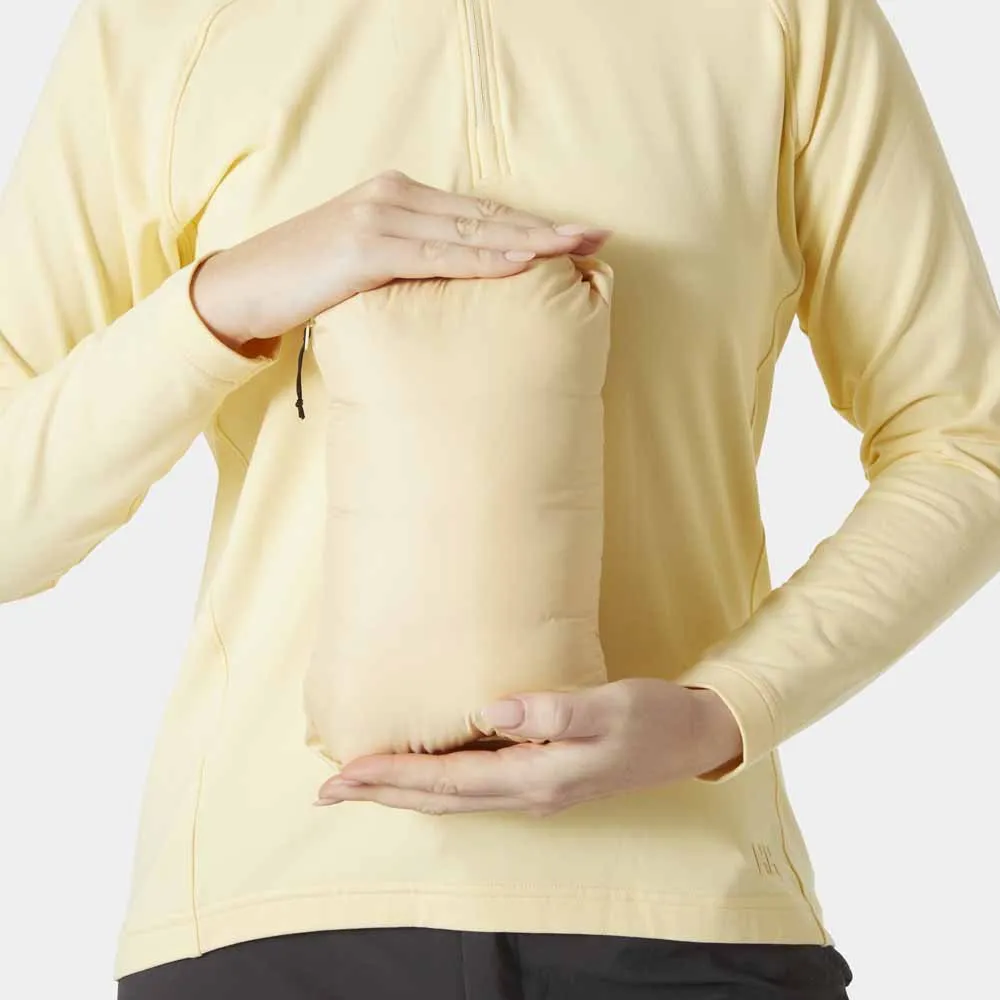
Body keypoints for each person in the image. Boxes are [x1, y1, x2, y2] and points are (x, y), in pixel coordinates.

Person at [2, 0, 998, 996]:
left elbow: (967, 441)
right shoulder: (161, 27)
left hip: (684, 904)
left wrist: (725, 712)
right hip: (272, 906)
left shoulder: (786, 19)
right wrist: (225, 299)